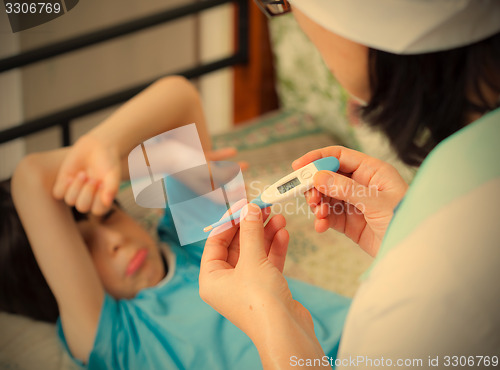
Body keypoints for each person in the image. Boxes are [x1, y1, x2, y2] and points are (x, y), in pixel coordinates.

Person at [199, 0, 500, 368]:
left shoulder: (411, 307)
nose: (298, 23)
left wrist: (270, 323)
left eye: (282, 3)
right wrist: (401, 233)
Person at [7, 76, 352, 369]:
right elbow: (31, 179)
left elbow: (179, 97)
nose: (114, 239)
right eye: (84, 245)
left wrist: (115, 154)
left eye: (109, 213)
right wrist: (158, 163)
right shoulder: (116, 333)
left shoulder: (199, 241)